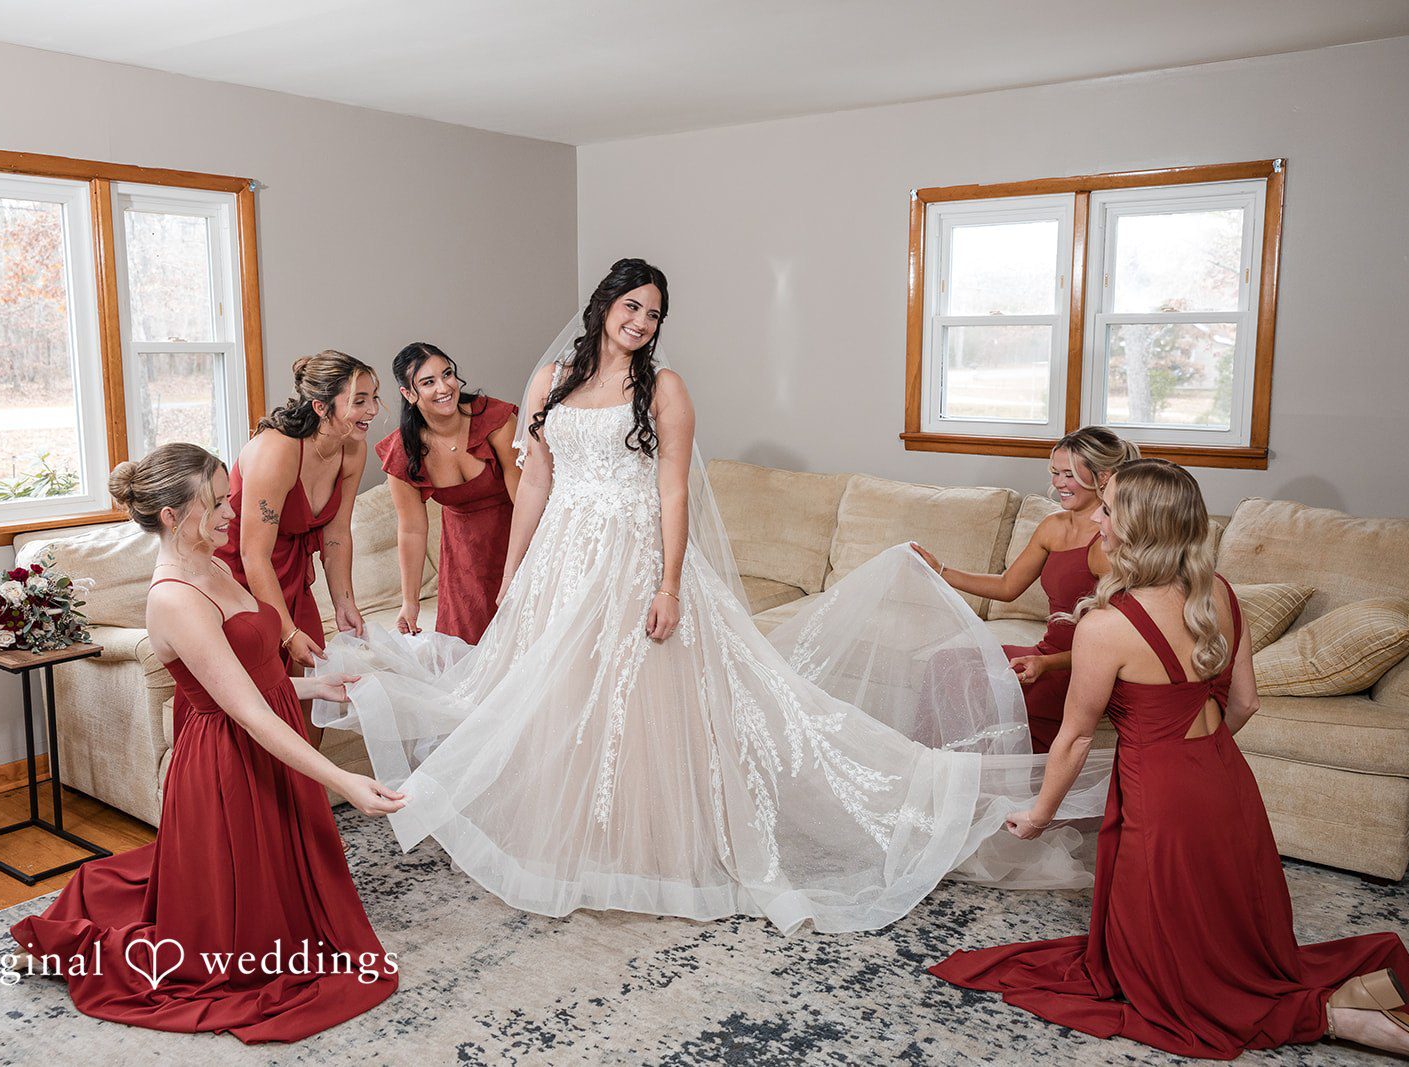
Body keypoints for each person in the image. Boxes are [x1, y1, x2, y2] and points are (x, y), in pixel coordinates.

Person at [314, 258, 1113, 936]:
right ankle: (585, 833)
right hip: (564, 554)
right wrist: (516, 574)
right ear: (603, 306)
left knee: (652, 700)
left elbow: (671, 495)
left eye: (653, 312)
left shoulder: (664, 387)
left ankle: (658, 841)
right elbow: (537, 484)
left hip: (635, 555)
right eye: (631, 305)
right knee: (560, 694)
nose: (640, 320)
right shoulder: (549, 379)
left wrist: (667, 583)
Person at [928, 459, 1409, 1064]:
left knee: (1169, 974)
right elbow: (1245, 703)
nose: (1096, 516)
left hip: (1159, 793)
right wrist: (1196, 754)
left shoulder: (1104, 626)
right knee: (1217, 923)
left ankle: (1339, 1016)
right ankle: (1355, 993)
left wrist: (1041, 815)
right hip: (1224, 775)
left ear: (1139, 527)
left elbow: (1071, 740)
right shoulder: (1219, 593)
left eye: (1110, 507)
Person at [11, 443, 405, 1044]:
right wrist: (343, 780)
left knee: (278, 893)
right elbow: (243, 711)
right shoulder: (174, 597)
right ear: (171, 515)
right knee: (226, 949)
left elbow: (250, 674)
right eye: (216, 502)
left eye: (227, 498)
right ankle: (80, 953)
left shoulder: (214, 565)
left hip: (266, 733)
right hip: (231, 759)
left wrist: (313, 684)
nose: (231, 512)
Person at [911, 427, 1138, 752]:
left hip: (1079, 669)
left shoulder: (1107, 543)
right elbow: (1007, 586)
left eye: (1069, 474)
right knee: (946, 664)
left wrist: (1046, 665)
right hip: (1045, 654)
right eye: (1055, 473)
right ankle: (937, 772)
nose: (1059, 483)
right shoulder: (1052, 527)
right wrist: (941, 571)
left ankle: (959, 774)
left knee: (977, 685)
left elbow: (1120, 642)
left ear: (1103, 477)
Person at [216, 351, 380, 746]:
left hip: (292, 577)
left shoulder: (352, 449)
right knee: (264, 697)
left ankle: (304, 800)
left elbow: (337, 533)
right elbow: (253, 555)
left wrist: (344, 602)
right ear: (321, 406)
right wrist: (286, 632)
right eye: (359, 401)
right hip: (241, 581)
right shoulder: (277, 451)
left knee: (313, 699)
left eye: (374, 397)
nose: (372, 410)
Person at [375, 343, 519, 644]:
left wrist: (527, 565)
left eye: (447, 374)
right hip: (463, 560)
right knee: (468, 652)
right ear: (409, 395)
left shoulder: (496, 420)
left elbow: (526, 498)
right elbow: (412, 530)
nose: (444, 387)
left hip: (516, 539)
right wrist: (410, 602)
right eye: (428, 382)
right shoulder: (403, 451)